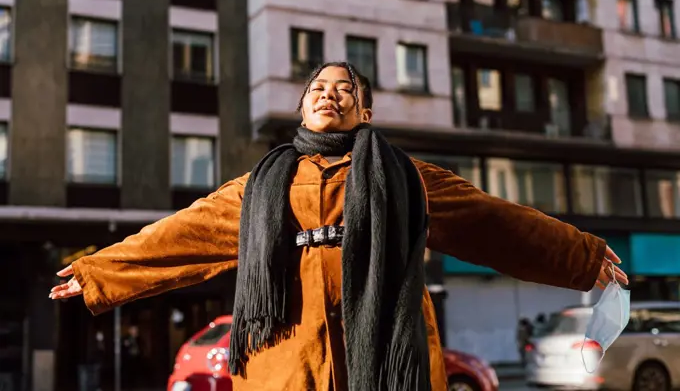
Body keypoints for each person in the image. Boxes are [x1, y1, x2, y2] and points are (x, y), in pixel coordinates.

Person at [49, 62, 627, 391]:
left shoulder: (406, 178)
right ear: (302, 109)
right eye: (317, 90)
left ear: (365, 112)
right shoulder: (260, 185)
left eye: (344, 88)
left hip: (382, 360)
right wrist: (99, 271)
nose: (330, 95)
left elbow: (496, 223)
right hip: (286, 364)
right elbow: (184, 234)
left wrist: (581, 256)